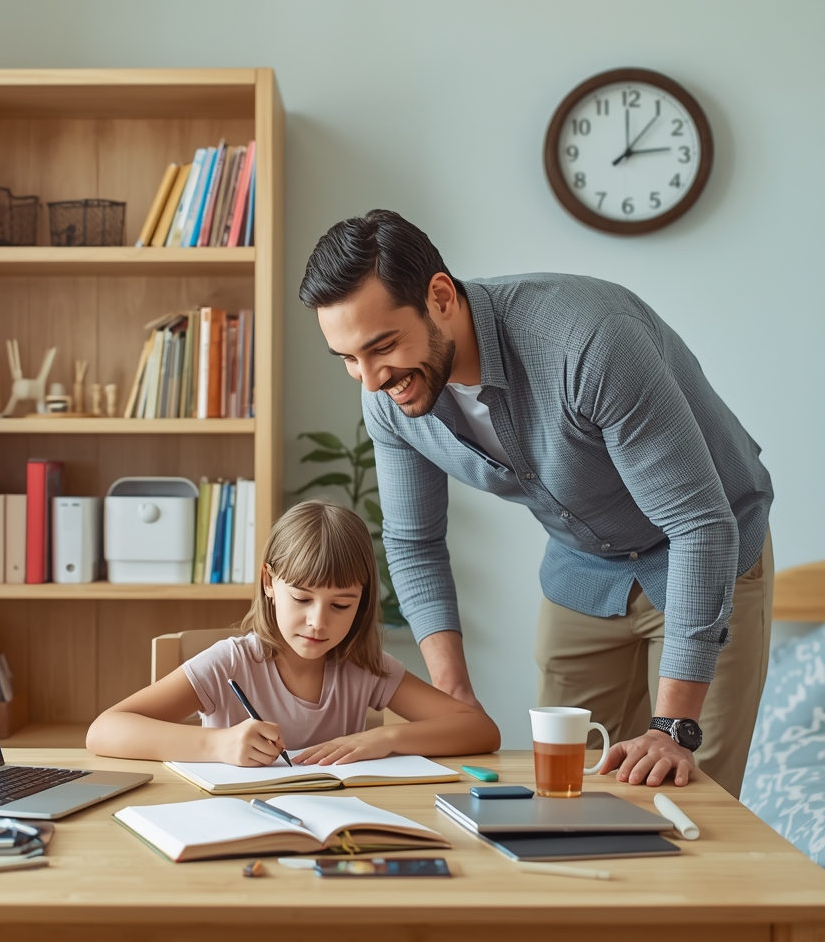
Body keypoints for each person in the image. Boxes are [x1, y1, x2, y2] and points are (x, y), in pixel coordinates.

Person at [298, 209, 774, 802]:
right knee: (563, 789)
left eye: (382, 346)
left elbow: (698, 524)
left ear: (440, 297)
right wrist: (452, 697)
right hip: (584, 569)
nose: (369, 381)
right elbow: (414, 541)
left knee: (688, 798)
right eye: (347, 359)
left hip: (705, 552)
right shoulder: (389, 398)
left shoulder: (589, 342)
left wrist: (672, 727)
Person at [86, 498, 500, 764]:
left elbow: (480, 729)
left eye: (341, 605)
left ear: (363, 599)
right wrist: (218, 746)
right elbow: (104, 730)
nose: (319, 622)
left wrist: (388, 738)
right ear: (269, 581)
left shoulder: (364, 667)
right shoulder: (230, 662)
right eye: (302, 599)